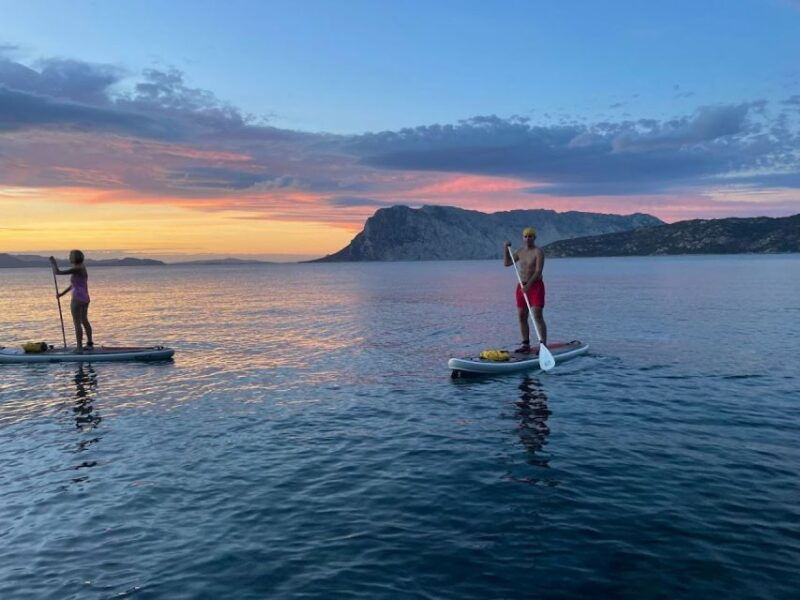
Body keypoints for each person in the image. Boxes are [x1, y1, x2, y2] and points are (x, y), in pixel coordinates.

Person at [504, 227, 547, 353]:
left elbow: (538, 271)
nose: (528, 238)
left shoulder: (538, 252)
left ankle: (543, 345)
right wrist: (506, 249)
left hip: (535, 286)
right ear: (523, 238)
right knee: (522, 316)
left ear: (534, 238)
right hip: (521, 286)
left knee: (537, 315)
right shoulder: (520, 252)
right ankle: (525, 344)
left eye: (530, 236)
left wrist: (529, 285)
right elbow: (507, 263)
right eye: (525, 236)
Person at [50, 250, 94, 353]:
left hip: (77, 299)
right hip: (85, 298)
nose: (69, 257)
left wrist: (53, 263)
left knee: (77, 322)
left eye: (70, 256)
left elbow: (58, 272)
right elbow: (74, 285)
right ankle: (90, 344)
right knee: (84, 320)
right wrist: (62, 294)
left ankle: (79, 348)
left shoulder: (77, 268)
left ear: (75, 258)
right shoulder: (81, 267)